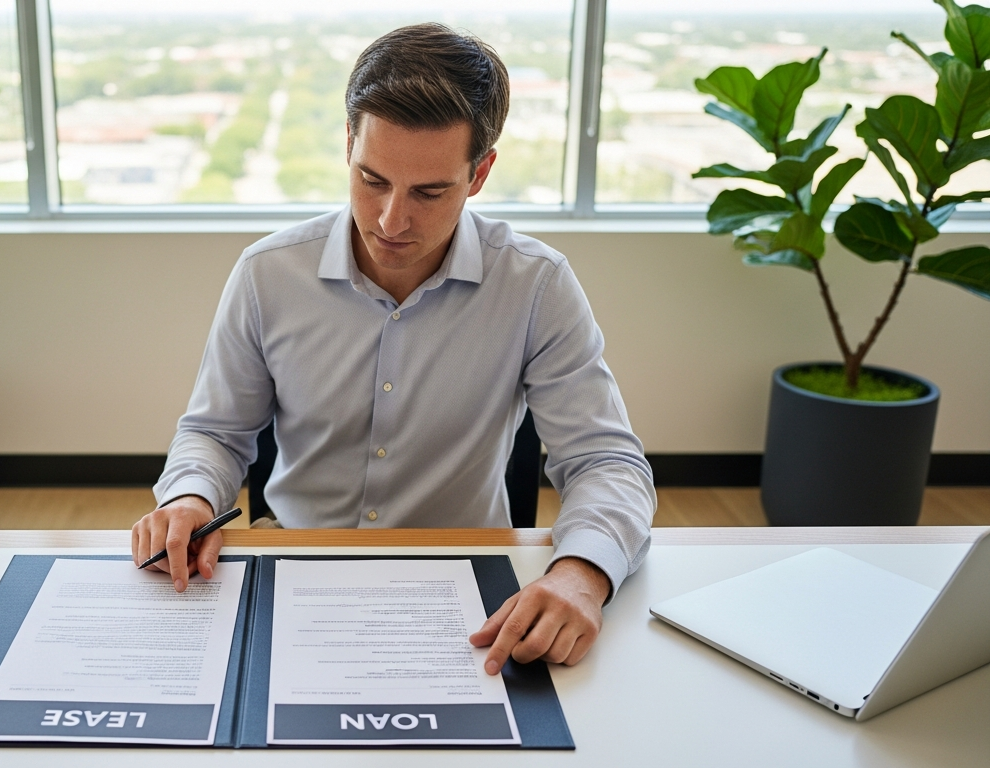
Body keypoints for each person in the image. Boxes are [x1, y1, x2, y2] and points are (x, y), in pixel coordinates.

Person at [131, 23, 655, 671]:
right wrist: (188, 496)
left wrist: (581, 574)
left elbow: (606, 460)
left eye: (429, 192)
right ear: (349, 144)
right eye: (371, 179)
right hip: (296, 562)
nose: (390, 220)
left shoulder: (535, 283)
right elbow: (215, 431)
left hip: (466, 589)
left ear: (480, 172)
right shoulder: (269, 273)